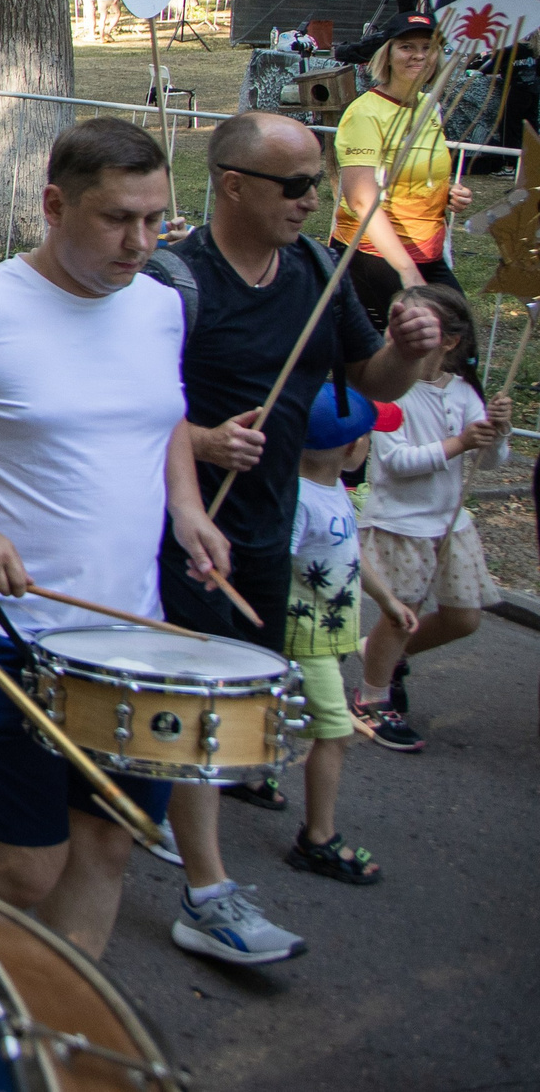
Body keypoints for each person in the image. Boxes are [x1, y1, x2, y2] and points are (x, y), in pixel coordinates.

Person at [0, 118, 235, 961]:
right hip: (10, 634)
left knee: (108, 845)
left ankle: (65, 1042)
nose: (140, 241)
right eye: (116, 218)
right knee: (23, 865)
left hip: (133, 637)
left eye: (156, 219)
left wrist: (188, 506)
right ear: (52, 204)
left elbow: (164, 415)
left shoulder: (157, 305)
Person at [152, 107, 434, 933]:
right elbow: (120, 405)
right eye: (299, 184)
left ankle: (144, 811)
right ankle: (207, 890)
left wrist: (409, 348)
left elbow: (372, 379)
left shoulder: (315, 267)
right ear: (234, 185)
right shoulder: (175, 280)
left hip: (270, 527)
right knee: (196, 705)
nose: (314, 199)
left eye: (318, 181)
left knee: (230, 699)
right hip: (180, 528)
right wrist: (200, 441)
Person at [354, 283, 510, 751]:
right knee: (400, 618)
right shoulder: (390, 393)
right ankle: (372, 699)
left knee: (464, 618)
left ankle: (380, 656)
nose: (396, 332)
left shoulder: (463, 391)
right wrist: (459, 443)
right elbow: (395, 463)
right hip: (401, 524)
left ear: (448, 341)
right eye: (394, 323)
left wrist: (495, 435)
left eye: (415, 323)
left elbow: (492, 462)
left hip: (450, 524)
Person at [281, 384, 409, 885]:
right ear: (350, 448)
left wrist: (387, 599)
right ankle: (317, 839)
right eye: (366, 438)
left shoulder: (334, 490)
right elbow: (274, 564)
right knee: (334, 733)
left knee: (283, 714)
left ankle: (254, 774)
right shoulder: (300, 500)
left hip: (327, 635)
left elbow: (351, 553)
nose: (369, 445)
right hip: (303, 637)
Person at [332, 13, 471, 321]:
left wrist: (448, 193)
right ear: (388, 55)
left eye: (428, 47)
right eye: (407, 47)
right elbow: (360, 198)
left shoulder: (427, 106)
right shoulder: (365, 113)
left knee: (456, 335)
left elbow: (417, 172)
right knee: (419, 341)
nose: (419, 55)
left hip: (426, 249)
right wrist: (406, 271)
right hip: (375, 253)